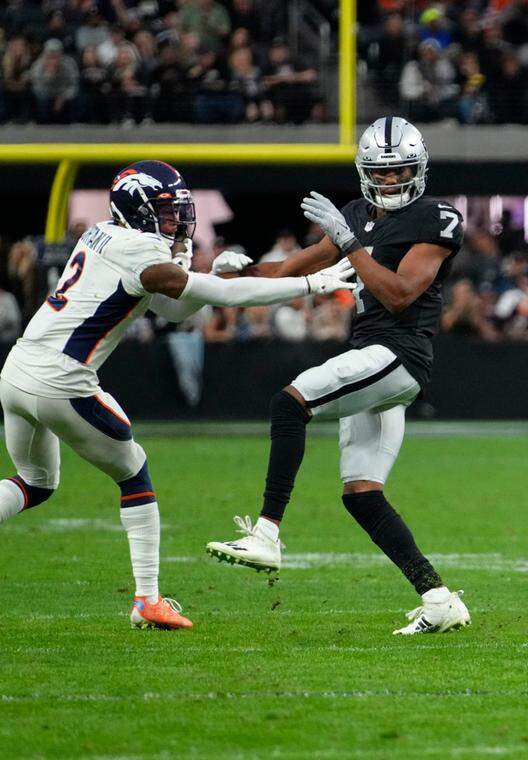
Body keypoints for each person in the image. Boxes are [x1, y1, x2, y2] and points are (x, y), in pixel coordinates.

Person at [0, 160, 353, 629]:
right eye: (165, 212)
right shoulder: (140, 249)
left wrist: (206, 273)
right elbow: (212, 295)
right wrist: (306, 283)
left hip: (17, 371)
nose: (177, 221)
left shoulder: (102, 234)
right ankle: (147, 599)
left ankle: (148, 599)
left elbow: (169, 306)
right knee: (134, 471)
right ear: (138, 211)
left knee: (35, 484)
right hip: (61, 381)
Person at [205, 117, 471, 635]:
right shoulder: (357, 216)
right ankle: (438, 599)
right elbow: (293, 270)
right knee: (362, 494)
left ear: (419, 171)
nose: (391, 182)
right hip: (373, 357)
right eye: (382, 173)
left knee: (290, 403)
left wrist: (351, 243)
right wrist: (231, 273)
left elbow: (398, 294)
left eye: (400, 172)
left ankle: (266, 533)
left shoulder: (436, 217)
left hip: (398, 352)